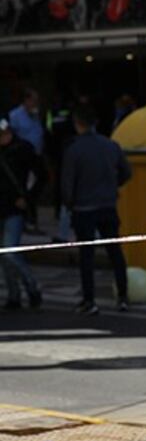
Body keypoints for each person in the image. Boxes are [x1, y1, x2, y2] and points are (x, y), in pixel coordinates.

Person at [61, 103, 132, 316]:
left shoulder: (74, 150)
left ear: (77, 123)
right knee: (115, 251)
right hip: (107, 204)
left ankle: (89, 300)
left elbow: (67, 184)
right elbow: (126, 172)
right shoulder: (111, 145)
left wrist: (69, 204)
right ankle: (122, 296)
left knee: (87, 256)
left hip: (84, 207)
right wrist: (112, 187)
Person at [0, 118, 46, 310]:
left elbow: (42, 175)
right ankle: (14, 296)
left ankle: (32, 287)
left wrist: (28, 198)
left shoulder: (22, 149)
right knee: (4, 254)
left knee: (10, 252)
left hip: (14, 209)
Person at [7, 88, 44, 229]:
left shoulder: (35, 115)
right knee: (23, 188)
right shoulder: (15, 116)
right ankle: (26, 218)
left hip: (35, 157)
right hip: (20, 160)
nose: (36, 103)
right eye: (33, 100)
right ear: (27, 100)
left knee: (36, 185)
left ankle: (31, 218)